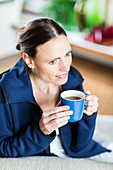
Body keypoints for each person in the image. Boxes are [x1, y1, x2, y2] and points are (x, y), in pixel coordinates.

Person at [0, 18, 112, 161]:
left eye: (67, 54)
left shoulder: (72, 80)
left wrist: (89, 116)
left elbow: (80, 145)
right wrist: (41, 131)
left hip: (75, 150)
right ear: (29, 60)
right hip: (38, 156)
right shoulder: (5, 93)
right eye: (53, 61)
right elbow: (3, 148)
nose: (65, 68)